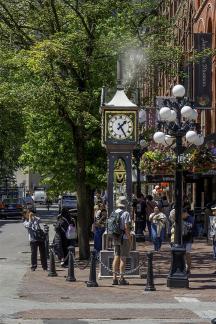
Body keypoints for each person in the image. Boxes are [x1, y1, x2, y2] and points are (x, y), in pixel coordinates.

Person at [112, 198, 132, 285]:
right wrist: (130, 238)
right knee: (123, 258)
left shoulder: (114, 212)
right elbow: (126, 227)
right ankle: (121, 278)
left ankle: (114, 278)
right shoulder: (126, 213)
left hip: (116, 237)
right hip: (124, 237)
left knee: (116, 256)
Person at [170, 208, 194, 274]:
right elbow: (171, 216)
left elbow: (189, 229)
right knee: (180, 254)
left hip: (188, 240)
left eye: (182, 214)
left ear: (185, 213)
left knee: (187, 254)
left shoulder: (190, 219)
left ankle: (188, 269)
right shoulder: (180, 218)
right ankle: (182, 268)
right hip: (180, 239)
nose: (181, 216)